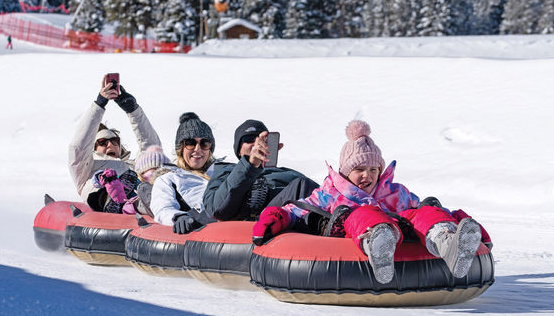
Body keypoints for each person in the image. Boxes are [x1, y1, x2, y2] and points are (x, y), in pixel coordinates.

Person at [252, 119, 491, 284]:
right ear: (346, 171)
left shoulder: (392, 191)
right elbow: (296, 210)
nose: (367, 175)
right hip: (355, 229)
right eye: (359, 169)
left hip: (398, 229)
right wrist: (276, 217)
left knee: (421, 212)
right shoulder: (333, 192)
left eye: (373, 169)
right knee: (360, 212)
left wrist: (454, 219)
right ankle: (378, 244)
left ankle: (447, 242)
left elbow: (420, 209)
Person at [68, 75, 162, 213]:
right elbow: (79, 147)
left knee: (148, 173)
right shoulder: (85, 167)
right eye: (103, 142)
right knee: (107, 178)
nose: (110, 145)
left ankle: (145, 203)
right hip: (100, 200)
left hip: (137, 206)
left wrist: (134, 111)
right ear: (93, 148)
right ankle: (113, 200)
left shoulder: (132, 167)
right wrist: (99, 104)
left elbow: (152, 151)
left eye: (114, 141)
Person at [203, 120, 319, 221]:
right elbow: (215, 208)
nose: (256, 143)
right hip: (260, 222)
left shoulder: (289, 173)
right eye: (249, 139)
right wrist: (250, 165)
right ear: (239, 150)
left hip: (295, 220)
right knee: (301, 185)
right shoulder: (225, 171)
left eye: (263, 140)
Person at [149, 112, 218, 234]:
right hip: (202, 234)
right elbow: (163, 208)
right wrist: (178, 216)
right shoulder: (168, 179)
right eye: (190, 143)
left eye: (204, 143)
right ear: (181, 148)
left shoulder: (222, 173)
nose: (197, 149)